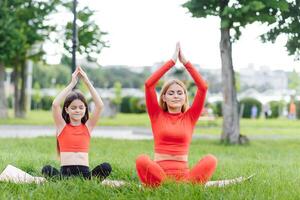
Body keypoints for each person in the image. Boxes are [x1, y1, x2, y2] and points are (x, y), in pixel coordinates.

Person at [135, 43, 217, 187]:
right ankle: (167, 185)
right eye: (171, 93)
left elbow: (203, 87)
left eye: (180, 93)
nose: (176, 96)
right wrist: (171, 62)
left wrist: (186, 63)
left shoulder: (191, 117)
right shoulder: (156, 114)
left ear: (185, 97)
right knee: (141, 160)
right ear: (164, 97)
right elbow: (149, 85)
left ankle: (180, 186)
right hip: (159, 173)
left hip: (184, 176)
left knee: (211, 160)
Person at [41, 66, 111, 180]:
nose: (77, 110)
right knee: (46, 169)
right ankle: (62, 180)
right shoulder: (62, 126)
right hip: (65, 175)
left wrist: (87, 82)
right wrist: (72, 84)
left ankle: (89, 181)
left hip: (85, 175)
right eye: (73, 108)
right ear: (67, 110)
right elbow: (55, 104)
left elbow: (99, 105)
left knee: (106, 167)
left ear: (85, 109)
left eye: (80, 107)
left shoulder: (88, 126)